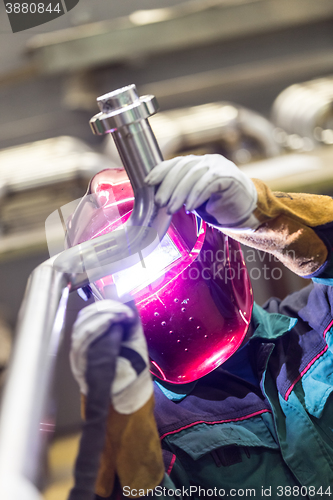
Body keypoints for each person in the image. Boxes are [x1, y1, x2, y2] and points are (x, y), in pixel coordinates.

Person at [69, 154, 333, 500]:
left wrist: (265, 215)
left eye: (158, 245)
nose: (150, 277)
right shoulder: (152, 426)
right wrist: (120, 419)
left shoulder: (314, 325)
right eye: (121, 266)